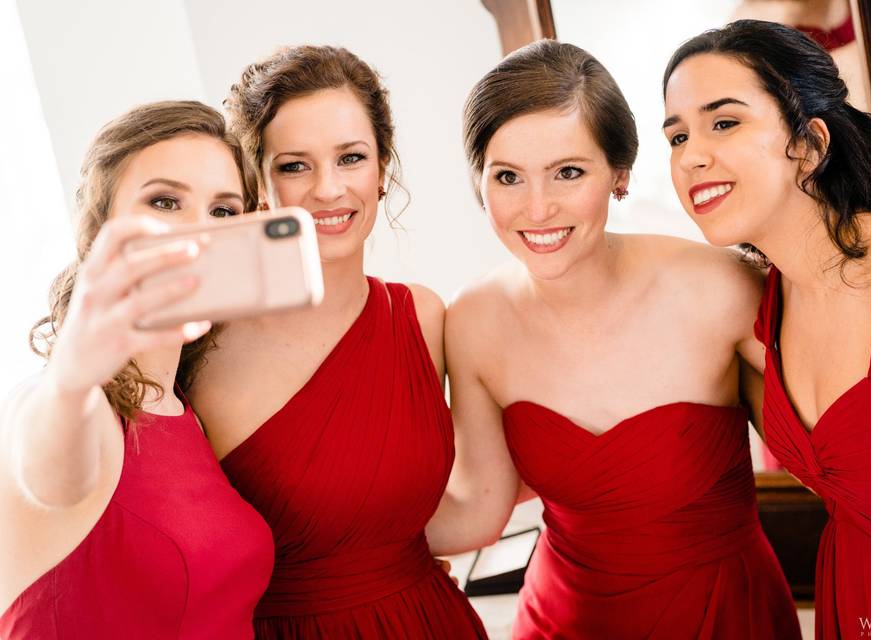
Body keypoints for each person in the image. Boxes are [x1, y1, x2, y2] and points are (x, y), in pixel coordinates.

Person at [426, 39, 801, 639]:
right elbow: (476, 508)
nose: (538, 208)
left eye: (568, 172)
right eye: (508, 177)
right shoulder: (473, 319)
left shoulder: (720, 285)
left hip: (723, 613)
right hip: (563, 619)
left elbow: (835, 454)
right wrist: (348, 549)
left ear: (620, 174)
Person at [662, 19, 871, 638]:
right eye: (677, 135)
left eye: (724, 122)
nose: (691, 155)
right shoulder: (774, 299)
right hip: (856, 599)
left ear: (810, 144)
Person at [187, 45, 486, 639]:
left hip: (430, 620)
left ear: (382, 169)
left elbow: (457, 512)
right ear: (257, 181)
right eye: (295, 165)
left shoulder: (422, 317)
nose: (329, 190)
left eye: (351, 158)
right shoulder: (199, 346)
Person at [0, 101, 274, 639]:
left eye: (222, 212)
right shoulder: (72, 403)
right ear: (101, 228)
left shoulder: (182, 409)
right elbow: (50, 476)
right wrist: (72, 380)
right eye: (165, 201)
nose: (198, 231)